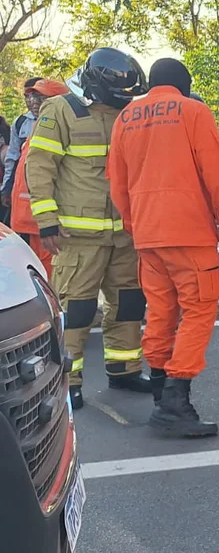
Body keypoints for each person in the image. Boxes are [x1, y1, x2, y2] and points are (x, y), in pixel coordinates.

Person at [108, 58, 219, 437]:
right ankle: (175, 401)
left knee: (161, 313)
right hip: (190, 232)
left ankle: (161, 393)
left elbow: (117, 182)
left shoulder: (126, 118)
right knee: (198, 310)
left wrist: (138, 225)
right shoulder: (193, 111)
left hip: (149, 235)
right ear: (184, 84)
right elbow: (217, 170)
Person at [24, 48, 151, 408]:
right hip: (78, 237)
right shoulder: (61, 110)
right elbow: (40, 168)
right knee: (77, 309)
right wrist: (46, 220)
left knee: (128, 303)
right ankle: (68, 380)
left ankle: (124, 368)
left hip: (124, 233)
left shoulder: (126, 112)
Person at [8, 79, 71, 277]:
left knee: (49, 277)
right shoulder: (33, 129)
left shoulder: (60, 131)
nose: (34, 102)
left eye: (41, 97)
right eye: (32, 96)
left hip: (43, 225)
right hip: (26, 222)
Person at [1, 77, 43, 213]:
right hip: (23, 189)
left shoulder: (61, 118)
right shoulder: (20, 123)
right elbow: (12, 157)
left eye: (36, 96)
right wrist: (7, 188)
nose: (31, 101)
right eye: (27, 96)